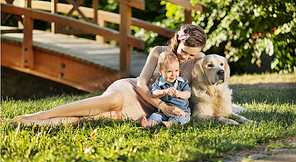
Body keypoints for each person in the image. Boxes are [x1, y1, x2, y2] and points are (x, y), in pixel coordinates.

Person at [3, 24, 207, 126]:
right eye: (183, 51)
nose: (185, 57)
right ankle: (38, 115)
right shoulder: (158, 51)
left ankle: (21, 122)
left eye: (192, 54)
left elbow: (205, 91)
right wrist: (162, 106)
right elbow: (141, 85)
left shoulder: (199, 59)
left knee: (85, 119)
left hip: (142, 111)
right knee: (110, 102)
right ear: (178, 41)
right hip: (132, 92)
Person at [141, 51, 191, 128]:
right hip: (164, 112)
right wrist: (164, 92)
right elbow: (154, 93)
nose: (173, 74)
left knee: (182, 117)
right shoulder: (159, 82)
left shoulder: (182, 81)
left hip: (181, 111)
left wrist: (180, 94)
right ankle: (149, 123)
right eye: (169, 71)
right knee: (156, 116)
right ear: (160, 71)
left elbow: (188, 94)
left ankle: (171, 124)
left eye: (176, 70)